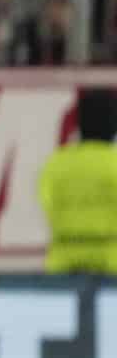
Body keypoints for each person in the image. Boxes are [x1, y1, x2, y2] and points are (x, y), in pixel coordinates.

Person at [39, 87, 117, 274]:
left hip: (63, 265)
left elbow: (47, 204)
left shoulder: (55, 164)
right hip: (111, 265)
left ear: (80, 124)